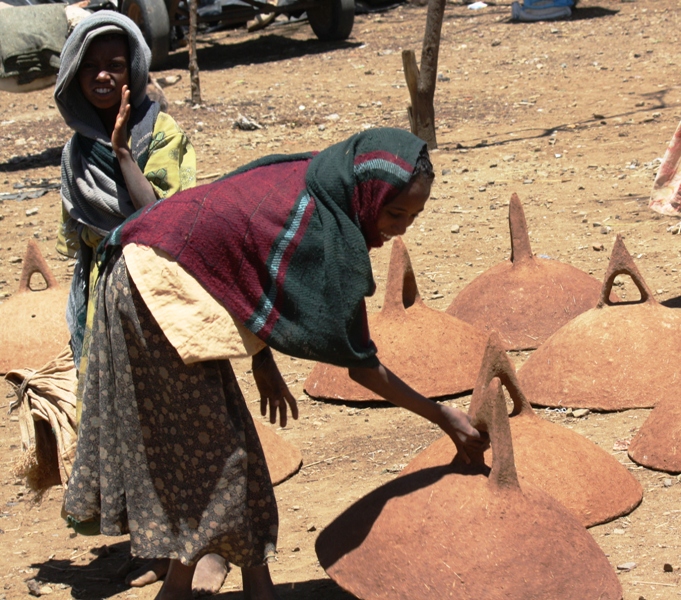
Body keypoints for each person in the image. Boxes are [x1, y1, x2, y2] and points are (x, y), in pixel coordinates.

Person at [61, 127, 487, 600]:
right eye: (394, 211)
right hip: (151, 296)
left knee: (230, 453)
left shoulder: (318, 179)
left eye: (414, 214)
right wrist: (444, 415)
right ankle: (189, 588)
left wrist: (263, 361)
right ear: (367, 193)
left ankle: (251, 586)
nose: (402, 226)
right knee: (221, 462)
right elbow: (362, 366)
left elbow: (241, 256)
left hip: (153, 276)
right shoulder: (325, 227)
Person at [52, 10, 222, 594]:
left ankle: (208, 546)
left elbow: (164, 221)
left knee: (183, 424)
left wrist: (124, 152)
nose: (103, 77)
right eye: (91, 67)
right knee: (130, 429)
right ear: (73, 76)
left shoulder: (164, 136)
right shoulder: (76, 153)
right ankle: (151, 547)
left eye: (115, 66)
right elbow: (76, 239)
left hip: (164, 298)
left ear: (135, 71)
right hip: (108, 304)